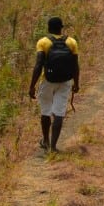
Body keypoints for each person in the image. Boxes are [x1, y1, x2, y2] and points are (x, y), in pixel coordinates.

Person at [28, 16, 80, 153]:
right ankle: (53, 147)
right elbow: (75, 65)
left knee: (45, 112)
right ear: (61, 28)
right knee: (59, 113)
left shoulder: (43, 42)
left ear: (49, 28)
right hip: (65, 82)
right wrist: (76, 83)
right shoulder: (72, 42)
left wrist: (32, 85)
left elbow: (39, 65)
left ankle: (45, 140)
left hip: (48, 81)